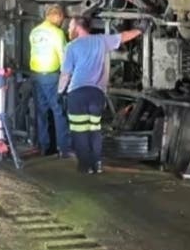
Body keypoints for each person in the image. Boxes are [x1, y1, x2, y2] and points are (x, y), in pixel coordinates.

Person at [58, 17, 142, 174]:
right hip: (97, 93)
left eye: (70, 26)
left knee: (80, 130)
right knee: (94, 129)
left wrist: (60, 91)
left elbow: (65, 74)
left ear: (77, 27)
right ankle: (97, 164)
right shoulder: (101, 41)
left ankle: (85, 166)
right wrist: (141, 30)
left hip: (78, 93)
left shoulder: (71, 47)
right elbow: (123, 36)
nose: (68, 30)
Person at [28, 4, 70, 157]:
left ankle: (44, 147)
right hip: (51, 76)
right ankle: (64, 148)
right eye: (62, 18)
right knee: (59, 112)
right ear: (58, 16)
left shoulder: (34, 31)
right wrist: (68, 76)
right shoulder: (57, 33)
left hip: (36, 75)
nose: (62, 21)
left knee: (41, 112)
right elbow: (64, 57)